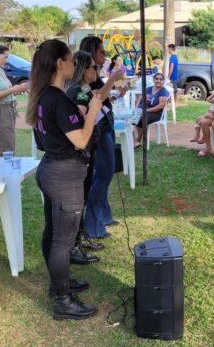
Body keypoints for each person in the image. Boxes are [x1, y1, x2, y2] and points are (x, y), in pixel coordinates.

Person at [27, 39, 101, 320]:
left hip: (52, 169)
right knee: (62, 240)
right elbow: (81, 140)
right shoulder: (58, 99)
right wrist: (93, 111)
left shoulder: (43, 95)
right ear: (60, 63)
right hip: (64, 175)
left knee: (53, 233)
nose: (74, 64)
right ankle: (63, 301)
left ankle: (59, 284)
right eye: (70, 59)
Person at [80, 36, 125, 239]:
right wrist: (114, 79)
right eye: (101, 51)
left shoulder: (95, 73)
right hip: (98, 127)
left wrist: (116, 92)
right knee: (104, 174)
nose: (105, 54)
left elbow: (103, 95)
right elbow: (96, 97)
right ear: (91, 52)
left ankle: (104, 216)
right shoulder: (84, 77)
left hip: (106, 123)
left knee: (105, 172)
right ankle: (93, 224)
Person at [65, 52, 105, 260]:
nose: (96, 70)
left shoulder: (83, 89)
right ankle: (74, 245)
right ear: (83, 69)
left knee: (82, 196)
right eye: (93, 67)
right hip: (81, 153)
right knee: (78, 199)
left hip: (86, 152)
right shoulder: (79, 91)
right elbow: (81, 117)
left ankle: (80, 238)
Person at [134, 72, 170, 147]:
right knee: (132, 118)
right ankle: (135, 139)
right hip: (144, 109)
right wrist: (136, 108)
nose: (158, 81)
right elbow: (140, 99)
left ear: (163, 81)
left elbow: (161, 106)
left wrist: (147, 110)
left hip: (156, 112)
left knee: (143, 118)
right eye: (156, 79)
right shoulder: (148, 89)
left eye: (160, 79)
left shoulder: (163, 91)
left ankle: (138, 140)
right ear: (153, 80)